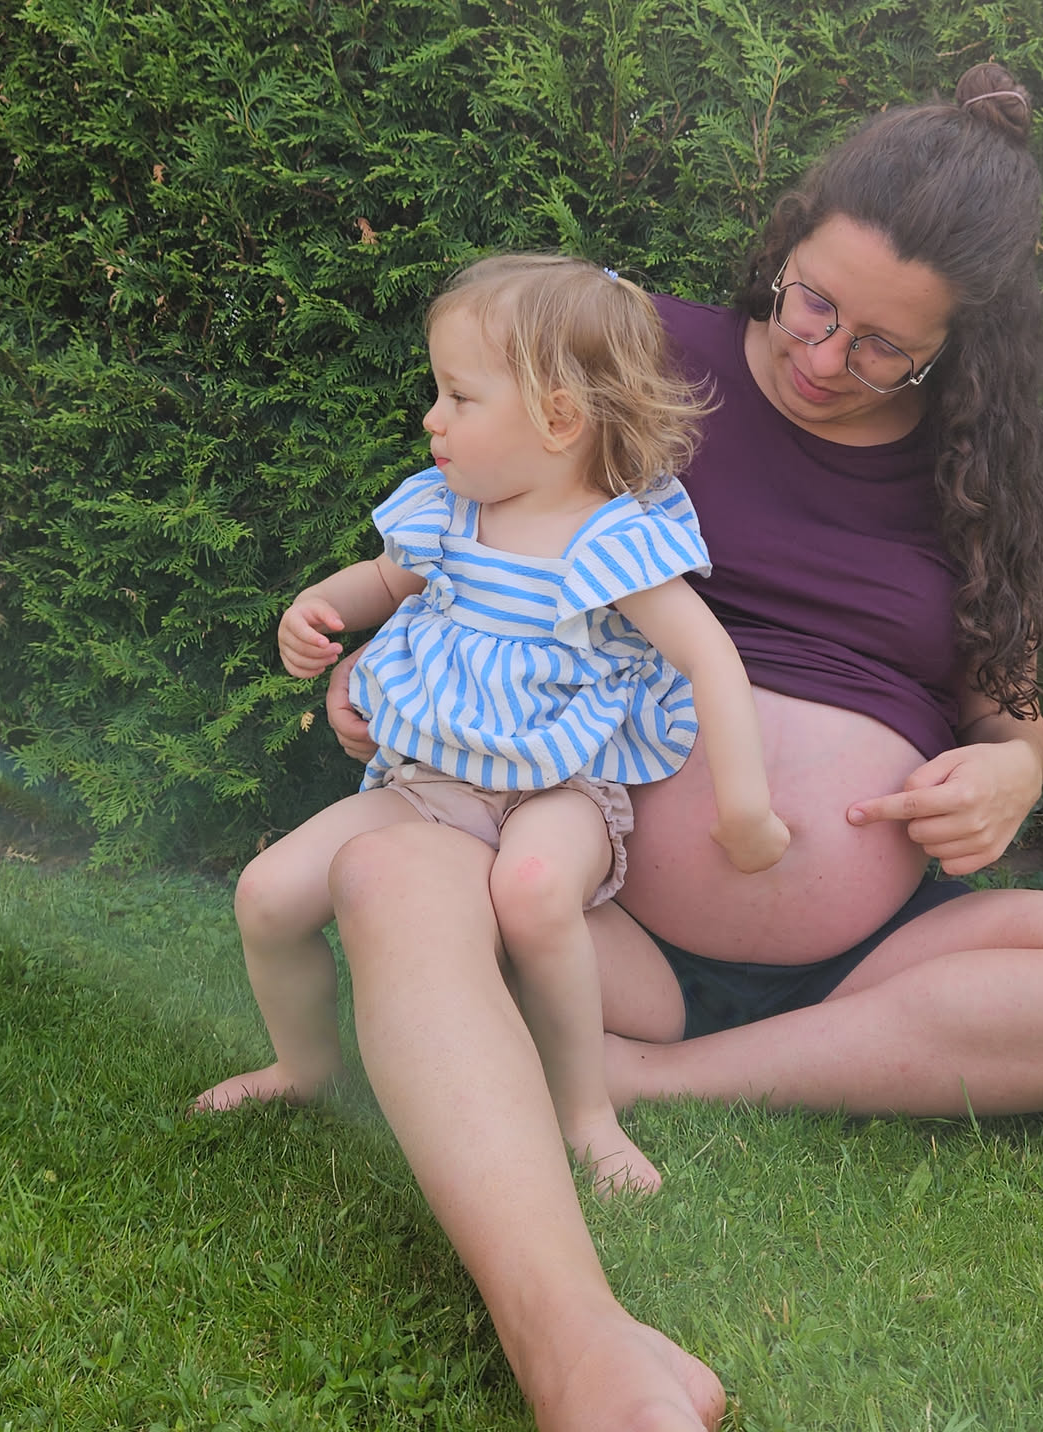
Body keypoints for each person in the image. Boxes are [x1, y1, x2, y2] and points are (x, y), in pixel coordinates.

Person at [318, 64, 1043, 1432]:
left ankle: (653, 1079)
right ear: (789, 243)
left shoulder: (973, 473)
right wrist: (380, 656)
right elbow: (471, 526)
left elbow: (1006, 703)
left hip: (864, 965)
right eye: (815, 304)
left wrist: (1016, 767)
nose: (825, 357)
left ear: (957, 347)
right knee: (394, 879)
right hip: (584, 906)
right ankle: (575, 1345)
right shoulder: (637, 354)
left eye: (884, 348)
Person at [194, 254, 789, 1195]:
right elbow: (382, 581)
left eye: (459, 397)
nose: (432, 418)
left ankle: (585, 1112)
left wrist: (746, 809)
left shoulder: (615, 538)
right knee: (266, 894)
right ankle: (304, 1066)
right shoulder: (449, 510)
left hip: (559, 787)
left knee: (535, 889)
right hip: (427, 785)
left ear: (559, 418)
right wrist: (316, 608)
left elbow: (711, 659)